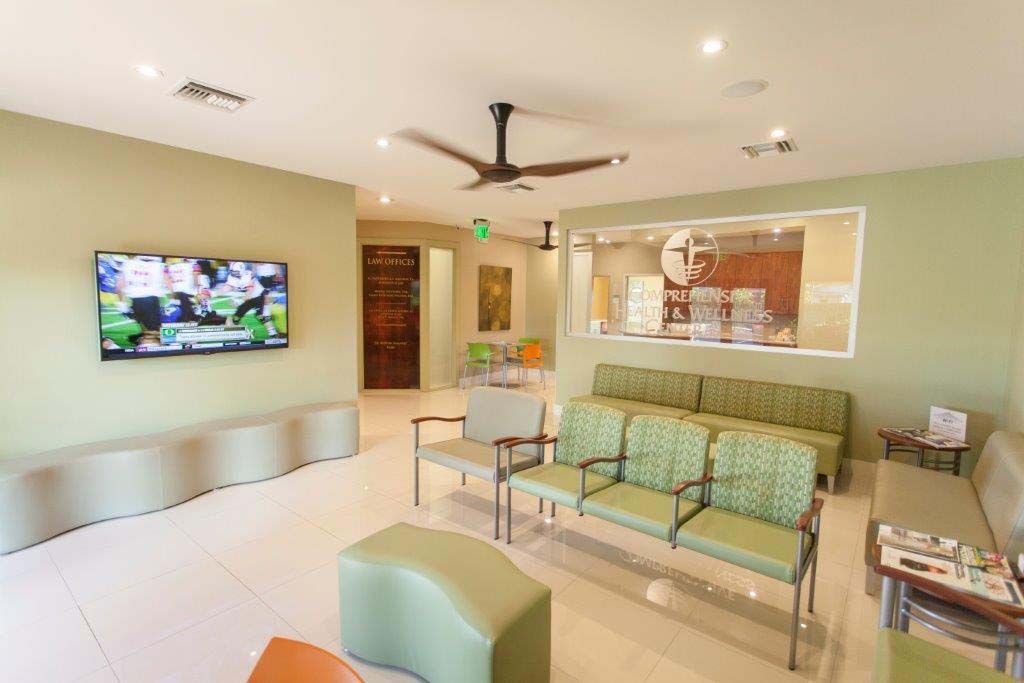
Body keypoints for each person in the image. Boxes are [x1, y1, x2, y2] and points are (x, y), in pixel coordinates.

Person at [117, 254, 166, 345]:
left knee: (145, 327)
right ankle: (154, 347)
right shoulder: (157, 265)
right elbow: (167, 282)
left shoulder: (128, 264)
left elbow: (119, 286)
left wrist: (122, 304)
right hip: (151, 300)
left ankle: (144, 342)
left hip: (136, 301)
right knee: (154, 331)